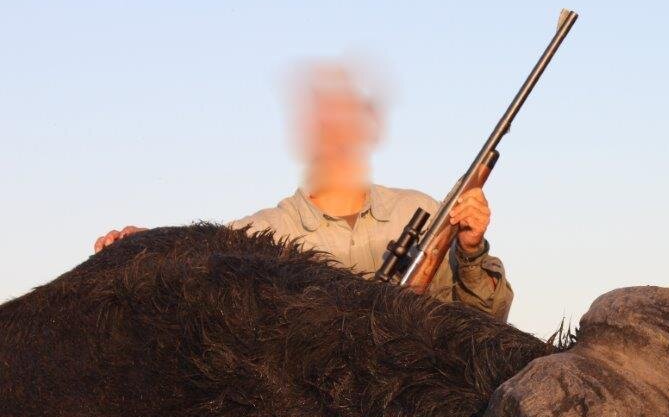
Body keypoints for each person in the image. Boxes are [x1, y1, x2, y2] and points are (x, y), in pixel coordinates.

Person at [94, 64, 513, 320]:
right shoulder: (264, 233)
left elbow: (487, 321)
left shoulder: (423, 211)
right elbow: (205, 261)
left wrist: (472, 249)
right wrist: (146, 247)